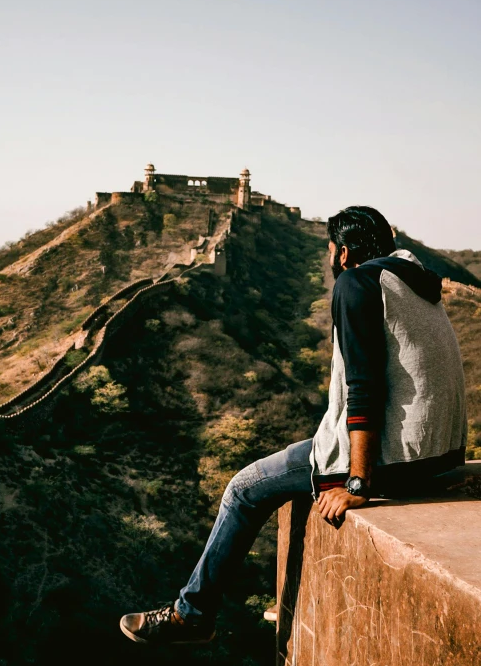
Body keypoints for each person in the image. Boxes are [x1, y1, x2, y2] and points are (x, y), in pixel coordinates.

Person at [120, 205, 467, 645]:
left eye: (330, 250)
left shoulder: (356, 282)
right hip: (438, 456)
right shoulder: (416, 281)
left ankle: (192, 614)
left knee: (244, 489)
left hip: (392, 461)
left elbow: (364, 389)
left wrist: (358, 484)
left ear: (342, 253)